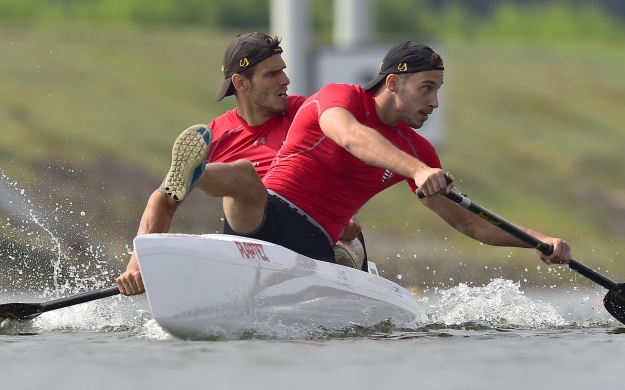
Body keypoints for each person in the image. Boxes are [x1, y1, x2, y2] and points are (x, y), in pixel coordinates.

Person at [155, 40, 572, 279]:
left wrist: (538, 241)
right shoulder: (340, 97)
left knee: (248, 181)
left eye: (438, 90)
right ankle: (194, 173)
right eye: (427, 88)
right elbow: (352, 137)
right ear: (394, 83)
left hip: (314, 239)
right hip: (265, 217)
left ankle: (199, 174)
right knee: (246, 177)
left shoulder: (419, 149)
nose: (435, 102)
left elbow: (470, 223)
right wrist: (418, 171)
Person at [116, 32, 364, 296]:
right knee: (243, 175)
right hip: (256, 239)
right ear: (240, 82)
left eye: (283, 71)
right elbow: (163, 200)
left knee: (350, 243)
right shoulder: (214, 137)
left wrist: (346, 212)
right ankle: (196, 175)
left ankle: (340, 274)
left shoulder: (307, 114)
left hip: (313, 230)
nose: (286, 80)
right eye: (272, 74)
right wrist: (137, 265)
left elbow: (344, 169)